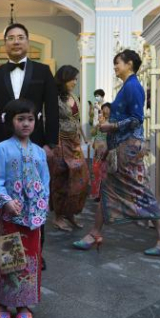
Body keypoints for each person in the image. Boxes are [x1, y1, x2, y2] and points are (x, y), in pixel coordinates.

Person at [73, 50, 160, 256]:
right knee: (107, 190)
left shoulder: (133, 86)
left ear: (129, 64)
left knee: (139, 190)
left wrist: (112, 126)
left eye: (117, 63)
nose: (115, 67)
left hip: (127, 147)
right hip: (120, 147)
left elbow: (137, 118)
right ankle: (95, 233)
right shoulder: (128, 86)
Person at [0, 23, 58, 269]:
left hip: (35, 143)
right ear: (5, 43)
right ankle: (6, 255)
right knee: (4, 197)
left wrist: (50, 143)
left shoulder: (44, 71)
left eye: (21, 37)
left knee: (35, 195)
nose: (16, 42)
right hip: (3, 145)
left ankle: (36, 252)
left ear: (28, 42)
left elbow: (52, 109)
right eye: (11, 38)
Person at [0, 99, 49, 318]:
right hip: (10, 214)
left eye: (30, 119)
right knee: (9, 257)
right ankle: (2, 303)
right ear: (11, 121)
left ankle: (24, 304)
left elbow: (45, 181)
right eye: (20, 119)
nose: (26, 124)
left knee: (31, 259)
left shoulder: (39, 152)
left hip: (33, 216)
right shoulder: (3, 148)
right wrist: (5, 202)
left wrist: (42, 204)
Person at [48, 65, 89, 231]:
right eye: (73, 79)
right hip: (60, 142)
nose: (75, 82)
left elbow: (76, 120)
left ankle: (71, 213)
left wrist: (84, 137)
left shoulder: (73, 96)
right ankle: (58, 216)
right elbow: (49, 121)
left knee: (81, 179)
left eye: (76, 79)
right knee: (61, 179)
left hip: (75, 143)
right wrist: (53, 143)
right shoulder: (53, 98)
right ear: (64, 79)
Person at [89, 103, 111, 201]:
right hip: (97, 152)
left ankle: (102, 194)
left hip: (104, 153)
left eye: (101, 113)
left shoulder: (109, 124)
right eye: (100, 112)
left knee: (103, 173)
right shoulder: (99, 125)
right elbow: (93, 133)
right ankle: (96, 194)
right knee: (95, 172)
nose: (100, 115)